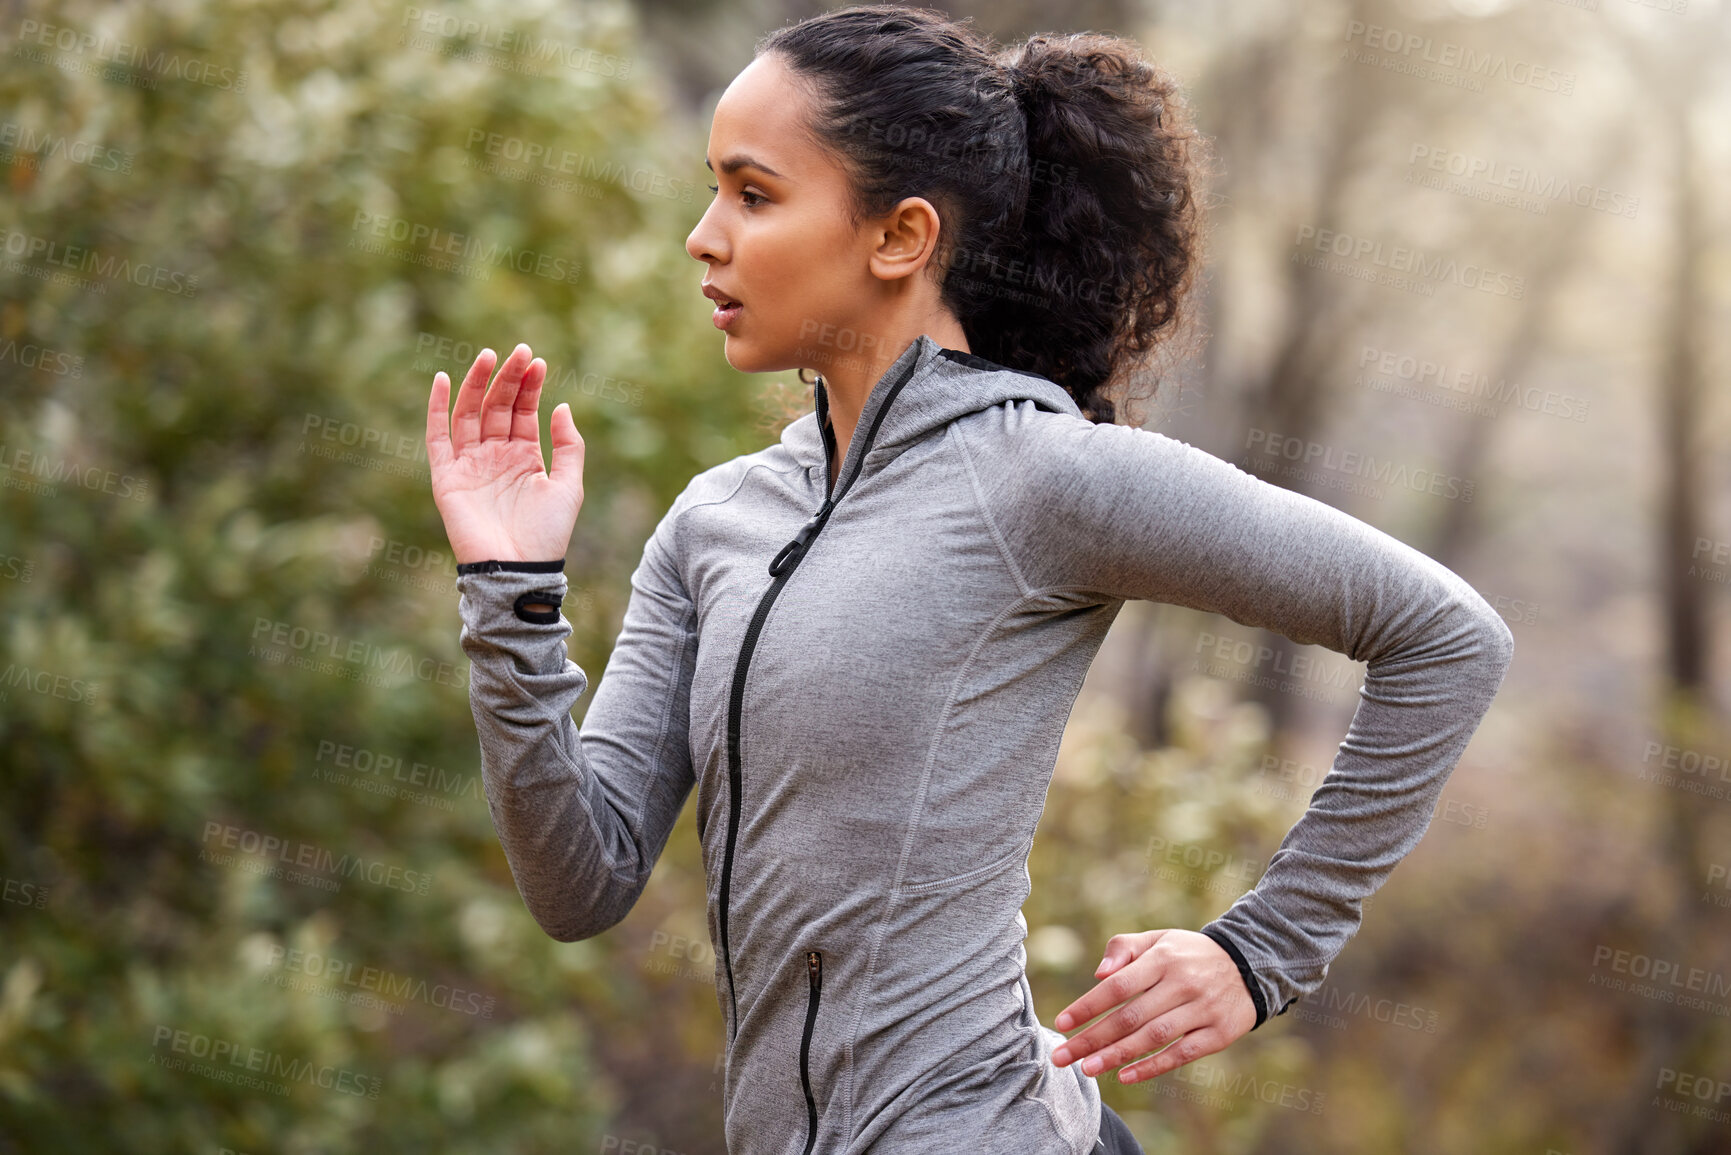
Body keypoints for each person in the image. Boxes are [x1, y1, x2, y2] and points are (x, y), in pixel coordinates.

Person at [424, 7, 1515, 1153]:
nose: (704, 236)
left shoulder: (1045, 481)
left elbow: (1445, 637)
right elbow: (580, 881)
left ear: (900, 236)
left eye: (752, 194)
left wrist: (1261, 952)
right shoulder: (717, 521)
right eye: (713, 191)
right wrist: (512, 592)